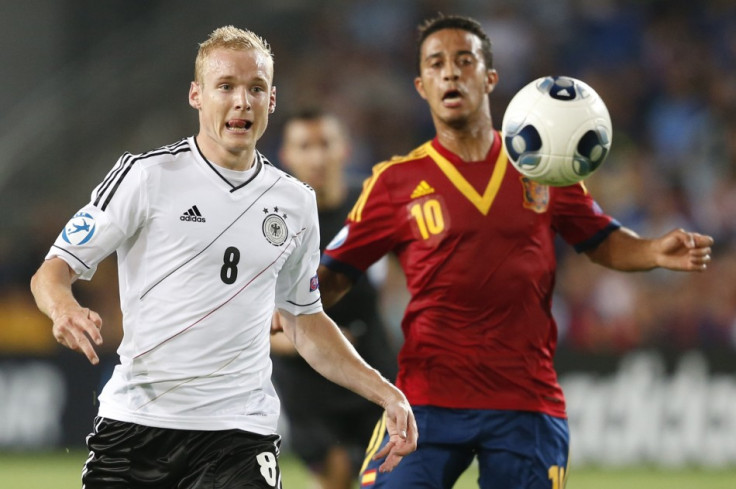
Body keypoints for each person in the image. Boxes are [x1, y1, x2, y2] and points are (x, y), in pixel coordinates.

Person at [316, 14, 714, 489]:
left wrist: (651, 250)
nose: (450, 72)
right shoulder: (394, 182)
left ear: (489, 78)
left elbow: (600, 239)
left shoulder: (544, 164)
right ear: (421, 85)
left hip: (526, 402)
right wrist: (292, 306)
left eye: (464, 61)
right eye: (436, 63)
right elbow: (336, 271)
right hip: (424, 401)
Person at [29, 25, 416, 489]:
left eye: (256, 88)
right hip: (138, 425)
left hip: (239, 434)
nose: (242, 101)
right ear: (197, 95)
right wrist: (63, 306)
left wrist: (387, 393)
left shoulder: (294, 202)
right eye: (226, 86)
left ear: (271, 101)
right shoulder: (146, 177)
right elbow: (53, 269)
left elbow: (305, 320)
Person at [270, 108, 398, 489]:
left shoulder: (370, 204)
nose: (316, 156)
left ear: (344, 148)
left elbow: (407, 262)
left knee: (389, 475)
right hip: (307, 381)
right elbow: (261, 322)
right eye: (304, 146)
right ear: (286, 156)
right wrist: (319, 341)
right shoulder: (273, 218)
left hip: (371, 363)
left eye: (325, 144)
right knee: (338, 474)